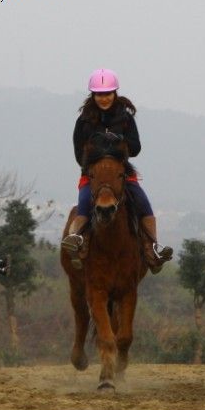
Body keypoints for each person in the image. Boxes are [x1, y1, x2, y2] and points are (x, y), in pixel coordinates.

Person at [61, 69, 173, 274]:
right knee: (85, 201)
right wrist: (97, 161)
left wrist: (117, 141)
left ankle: (153, 248)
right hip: (93, 176)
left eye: (108, 94)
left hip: (122, 175)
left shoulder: (126, 119)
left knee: (142, 202)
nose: (104, 98)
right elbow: (79, 155)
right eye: (99, 94)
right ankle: (77, 240)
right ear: (93, 95)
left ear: (115, 93)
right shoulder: (84, 122)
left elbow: (136, 147)